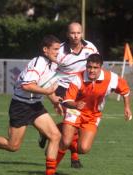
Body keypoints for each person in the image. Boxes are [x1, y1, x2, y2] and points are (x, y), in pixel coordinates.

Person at [0, 35, 62, 175]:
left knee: (55, 136)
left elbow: (45, 85)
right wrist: (47, 91)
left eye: (59, 49)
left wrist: (53, 99)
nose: (58, 52)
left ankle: (50, 173)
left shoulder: (52, 64)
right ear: (45, 50)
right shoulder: (38, 62)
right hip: (21, 106)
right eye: (55, 49)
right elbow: (27, 86)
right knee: (13, 146)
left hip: (35, 105)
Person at [56, 53, 132, 170]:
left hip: (93, 115)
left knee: (83, 149)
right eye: (89, 67)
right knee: (65, 141)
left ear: (101, 67)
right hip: (74, 111)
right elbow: (67, 101)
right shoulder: (78, 77)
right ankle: (50, 170)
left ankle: (57, 128)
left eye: (95, 68)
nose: (91, 70)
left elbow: (125, 91)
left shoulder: (111, 78)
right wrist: (76, 104)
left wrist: (127, 107)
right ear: (86, 66)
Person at [38, 22, 99, 168]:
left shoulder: (90, 48)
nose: (76, 36)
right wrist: (52, 97)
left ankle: (48, 132)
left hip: (82, 91)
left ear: (82, 33)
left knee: (75, 126)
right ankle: (70, 159)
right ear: (67, 34)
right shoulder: (60, 52)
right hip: (64, 90)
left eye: (78, 33)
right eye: (72, 33)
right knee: (72, 126)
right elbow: (49, 74)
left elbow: (96, 66)